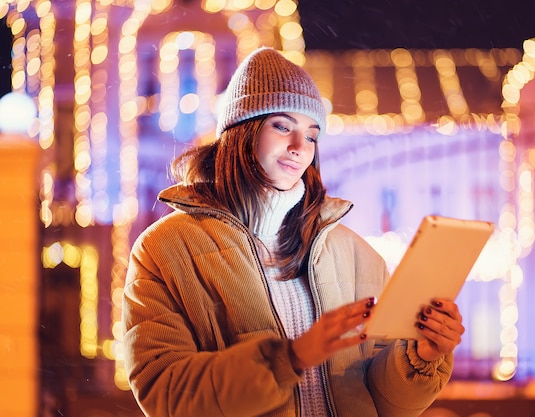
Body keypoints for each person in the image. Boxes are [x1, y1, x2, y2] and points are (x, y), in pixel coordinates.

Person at [122, 47, 465, 417]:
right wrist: (290, 358)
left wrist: (421, 355)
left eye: (312, 135)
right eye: (283, 126)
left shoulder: (355, 255)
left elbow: (383, 403)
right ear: (242, 132)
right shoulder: (165, 249)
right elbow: (166, 394)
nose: (300, 148)